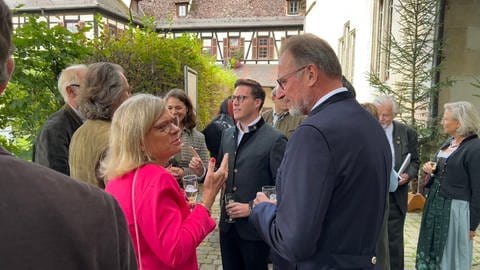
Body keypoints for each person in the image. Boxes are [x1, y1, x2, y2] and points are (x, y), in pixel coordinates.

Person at [0, 2, 137, 269]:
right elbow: (52, 178)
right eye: (89, 86)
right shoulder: (59, 129)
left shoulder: (84, 126)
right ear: (8, 72)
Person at [249, 34, 391, 269]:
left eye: (283, 82)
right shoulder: (369, 123)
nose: (281, 93)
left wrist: (261, 209)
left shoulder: (313, 133)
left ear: (311, 74)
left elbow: (294, 242)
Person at [101, 93, 229, 270]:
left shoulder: (117, 177)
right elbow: (176, 251)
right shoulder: (157, 179)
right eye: (163, 127)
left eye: (172, 121)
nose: (175, 129)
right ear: (138, 141)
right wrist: (207, 200)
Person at [218, 78, 287, 270]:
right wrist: (203, 173)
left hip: (255, 230)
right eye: (234, 98)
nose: (236, 103)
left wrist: (251, 207)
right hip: (227, 227)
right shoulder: (227, 135)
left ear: (257, 102)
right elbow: (222, 174)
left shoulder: (275, 140)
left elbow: (283, 189)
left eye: (241, 98)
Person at [416, 101, 480, 270]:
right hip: (436, 205)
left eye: (446, 119)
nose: (443, 122)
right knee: (432, 249)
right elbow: (443, 171)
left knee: (451, 254)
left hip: (456, 208)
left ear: (459, 122)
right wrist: (430, 170)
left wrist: (472, 224)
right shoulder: (449, 142)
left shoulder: (475, 148)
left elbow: (478, 188)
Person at [373, 95, 419, 270]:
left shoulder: (406, 132)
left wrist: (408, 174)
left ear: (394, 114)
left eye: (387, 115)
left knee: (394, 241)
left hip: (395, 195)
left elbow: (415, 160)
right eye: (379, 114)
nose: (382, 119)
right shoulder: (368, 129)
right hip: (373, 194)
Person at [69, 62, 130, 188]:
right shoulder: (116, 137)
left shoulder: (80, 131)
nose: (129, 98)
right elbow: (123, 192)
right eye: (126, 91)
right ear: (113, 96)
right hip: (107, 206)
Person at [32, 64, 87, 175]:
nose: (98, 91)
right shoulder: (54, 130)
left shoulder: (88, 121)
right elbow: (53, 179)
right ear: (71, 91)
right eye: (90, 86)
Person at [165, 88, 209, 181]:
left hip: (189, 192)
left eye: (178, 108)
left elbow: (205, 172)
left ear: (187, 109)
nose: (173, 112)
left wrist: (184, 173)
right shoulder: (157, 135)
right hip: (163, 189)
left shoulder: (198, 138)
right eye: (169, 108)